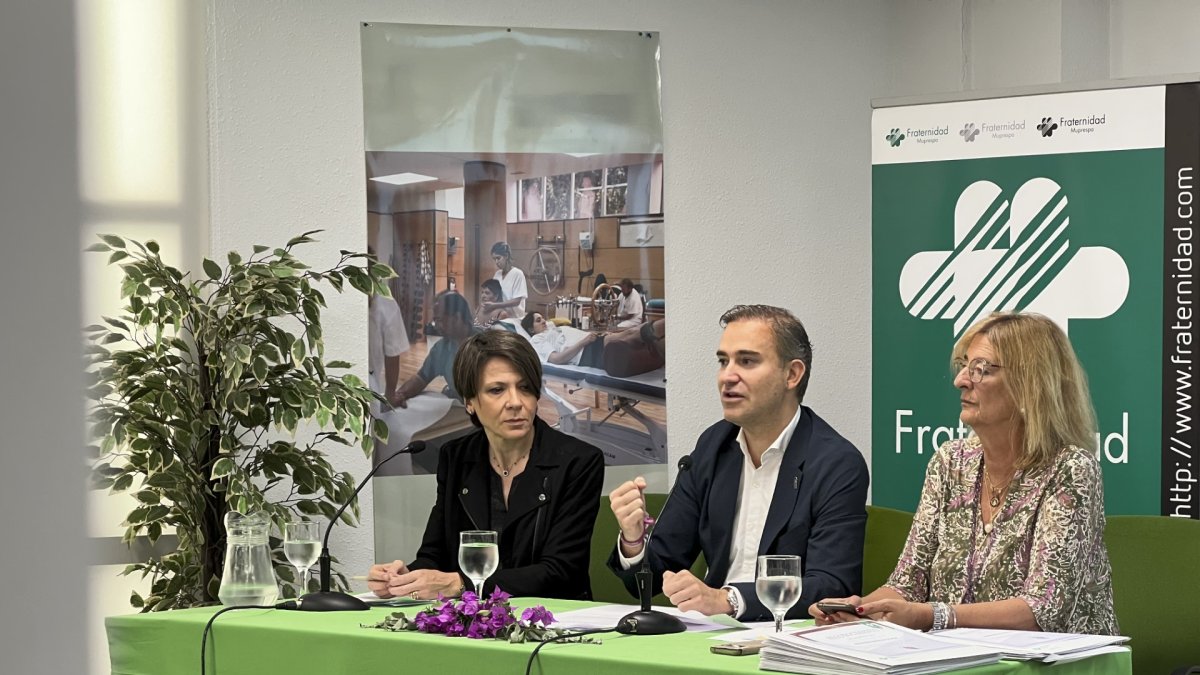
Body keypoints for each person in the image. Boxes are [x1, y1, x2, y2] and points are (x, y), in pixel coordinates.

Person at [810, 312, 1118, 635]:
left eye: (981, 369)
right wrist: (858, 611)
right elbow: (906, 585)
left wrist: (933, 616)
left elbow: (1042, 610)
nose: (961, 380)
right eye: (964, 366)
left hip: (1057, 665)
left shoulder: (1070, 469)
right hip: (961, 659)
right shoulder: (950, 462)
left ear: (1031, 385)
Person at [607, 304, 869, 620]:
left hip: (788, 641)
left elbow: (832, 585)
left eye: (746, 361)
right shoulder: (713, 447)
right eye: (723, 361)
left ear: (792, 374)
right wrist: (634, 541)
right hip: (709, 637)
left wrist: (729, 599)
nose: (727, 376)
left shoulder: (836, 463)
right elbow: (654, 574)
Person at [366, 331, 605, 600]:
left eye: (525, 387)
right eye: (497, 390)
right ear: (469, 402)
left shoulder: (578, 461)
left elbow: (561, 572)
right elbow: (434, 557)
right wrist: (403, 577)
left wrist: (461, 584)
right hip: (475, 624)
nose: (516, 402)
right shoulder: (456, 457)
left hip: (553, 622)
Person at [389, 292, 477, 408]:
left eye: (439, 320)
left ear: (457, 317)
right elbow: (421, 378)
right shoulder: (441, 348)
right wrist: (401, 395)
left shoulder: (488, 345)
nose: (435, 326)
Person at [521, 312, 666, 377]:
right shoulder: (537, 340)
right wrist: (584, 341)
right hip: (588, 351)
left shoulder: (553, 329)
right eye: (538, 320)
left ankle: (662, 334)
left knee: (634, 333)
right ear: (530, 329)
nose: (544, 321)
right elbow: (557, 359)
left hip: (594, 342)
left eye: (543, 318)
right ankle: (669, 323)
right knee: (631, 334)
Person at [486, 242, 528, 319]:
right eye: (494, 259)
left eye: (498, 258)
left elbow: (517, 301)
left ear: (506, 256)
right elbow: (493, 294)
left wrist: (495, 305)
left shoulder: (517, 274)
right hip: (500, 316)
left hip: (515, 319)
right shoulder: (497, 275)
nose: (496, 262)